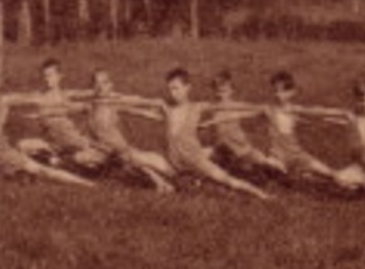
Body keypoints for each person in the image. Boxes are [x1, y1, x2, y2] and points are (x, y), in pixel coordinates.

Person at [158, 68, 269, 199]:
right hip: (176, 161)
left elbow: (228, 106)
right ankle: (189, 181)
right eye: (170, 89)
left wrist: (258, 108)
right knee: (137, 157)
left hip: (196, 159)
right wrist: (127, 106)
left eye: (176, 88)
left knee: (226, 179)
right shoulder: (168, 109)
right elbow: (140, 103)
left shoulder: (197, 107)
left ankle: (261, 194)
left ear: (187, 88)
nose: (172, 93)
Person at [265, 71, 362, 190]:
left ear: (292, 92)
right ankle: (296, 175)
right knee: (275, 173)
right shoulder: (268, 110)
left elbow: (316, 112)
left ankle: (361, 184)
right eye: (275, 90)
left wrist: (342, 113)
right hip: (277, 157)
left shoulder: (294, 110)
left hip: (297, 155)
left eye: (282, 91)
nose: (277, 94)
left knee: (333, 175)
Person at [83, 69, 176, 191]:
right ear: (93, 86)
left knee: (150, 163)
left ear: (111, 85)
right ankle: (161, 181)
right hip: (106, 152)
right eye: (97, 83)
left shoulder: (114, 101)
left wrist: (155, 108)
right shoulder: (91, 105)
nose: (100, 87)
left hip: (121, 150)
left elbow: (134, 103)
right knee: (85, 159)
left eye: (105, 82)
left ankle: (168, 179)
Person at [20, 58, 109, 173]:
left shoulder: (65, 95)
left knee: (91, 160)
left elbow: (87, 94)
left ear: (60, 76)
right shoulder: (40, 97)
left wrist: (98, 89)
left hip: (74, 142)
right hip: (53, 145)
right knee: (22, 145)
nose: (47, 79)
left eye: (51, 75)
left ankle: (63, 162)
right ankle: (56, 161)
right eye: (45, 76)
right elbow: (20, 99)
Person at [204, 71, 287, 179]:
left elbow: (255, 108)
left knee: (260, 162)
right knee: (206, 156)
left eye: (224, 91)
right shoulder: (213, 107)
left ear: (232, 91)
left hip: (240, 146)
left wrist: (264, 110)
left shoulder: (235, 106)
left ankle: (280, 168)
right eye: (217, 91)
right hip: (222, 147)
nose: (220, 94)